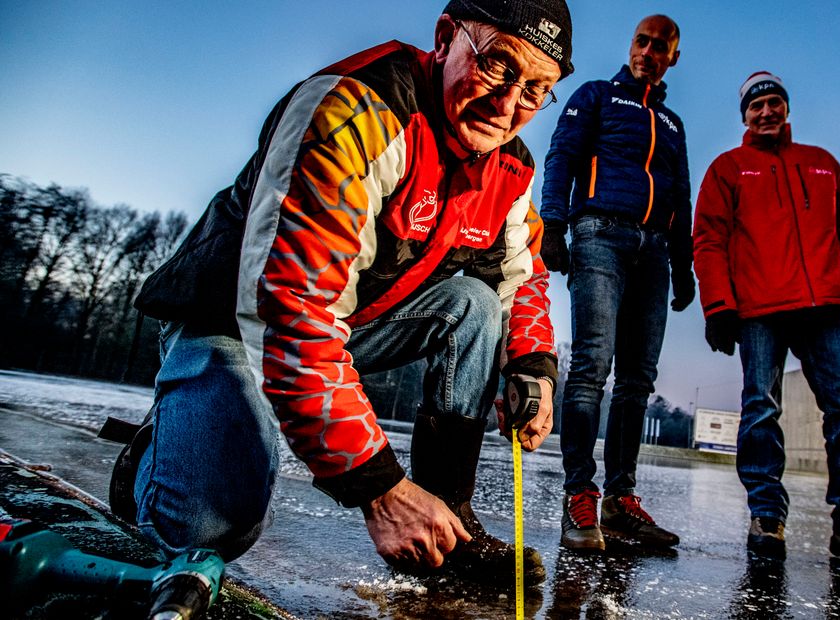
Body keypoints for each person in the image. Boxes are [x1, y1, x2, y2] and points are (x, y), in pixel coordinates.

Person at [102, 0, 573, 584]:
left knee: (475, 304)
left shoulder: (510, 168)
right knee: (210, 527)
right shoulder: (355, 113)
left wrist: (534, 368)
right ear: (446, 36)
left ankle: (449, 517)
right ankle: (154, 452)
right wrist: (379, 489)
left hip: (350, 323)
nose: (507, 106)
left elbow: (520, 277)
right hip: (235, 319)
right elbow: (292, 309)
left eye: (535, 90)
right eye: (498, 66)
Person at [692, 71, 840, 575]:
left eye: (775, 103)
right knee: (759, 410)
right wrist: (718, 306)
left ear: (786, 109)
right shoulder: (728, 169)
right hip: (760, 308)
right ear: (745, 117)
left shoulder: (822, 165)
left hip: (830, 308)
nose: (767, 112)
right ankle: (767, 519)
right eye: (757, 106)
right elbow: (708, 239)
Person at [540, 15, 693, 552]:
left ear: (672, 57)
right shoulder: (598, 96)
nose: (647, 52)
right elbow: (562, 156)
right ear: (632, 46)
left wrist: (685, 264)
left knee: (636, 381)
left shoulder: (672, 124)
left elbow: (681, 199)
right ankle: (579, 495)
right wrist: (553, 223)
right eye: (641, 41)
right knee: (590, 368)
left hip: (654, 253)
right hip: (600, 235)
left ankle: (621, 501)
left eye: (659, 47)